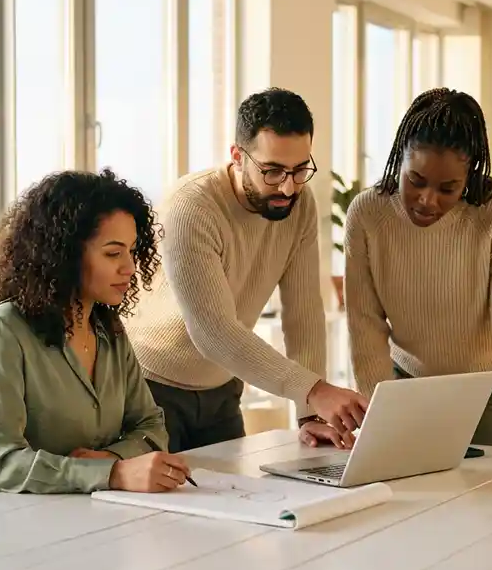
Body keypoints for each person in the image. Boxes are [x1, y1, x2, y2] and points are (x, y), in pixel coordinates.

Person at [0, 169, 194, 570]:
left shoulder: (108, 328)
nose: (129, 267)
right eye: (112, 253)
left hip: (84, 522)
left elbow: (150, 425)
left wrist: (108, 463)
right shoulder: (2, 331)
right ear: (64, 253)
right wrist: (114, 473)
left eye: (132, 251)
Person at [339, 87, 492, 455]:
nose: (428, 200)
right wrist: (378, 417)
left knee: (483, 491)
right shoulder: (367, 214)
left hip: (483, 391)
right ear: (400, 158)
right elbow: (365, 327)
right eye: (416, 180)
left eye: (448, 188)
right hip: (403, 385)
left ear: (468, 175)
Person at [125, 87, 367, 453]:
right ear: (238, 157)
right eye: (272, 171)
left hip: (222, 388)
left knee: (234, 488)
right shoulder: (192, 207)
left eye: (299, 169)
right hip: (150, 387)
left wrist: (309, 415)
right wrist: (315, 390)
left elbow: (303, 314)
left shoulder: (299, 205)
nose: (288, 187)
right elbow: (212, 331)